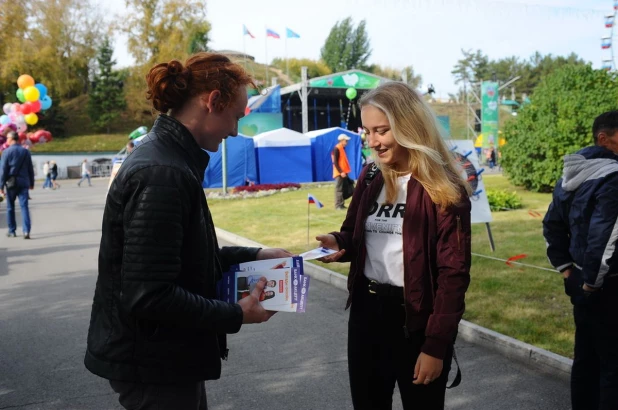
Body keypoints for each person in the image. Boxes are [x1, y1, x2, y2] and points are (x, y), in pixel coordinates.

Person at [84, 52, 293, 410]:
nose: (235, 130)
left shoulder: (170, 158)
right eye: (235, 116)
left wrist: (256, 254)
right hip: (154, 363)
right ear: (212, 102)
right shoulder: (163, 171)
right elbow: (149, 295)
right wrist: (236, 314)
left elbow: (183, 258)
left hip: (161, 357)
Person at [316, 82, 472, 410]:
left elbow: (453, 276)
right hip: (366, 315)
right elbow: (354, 235)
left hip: (416, 321)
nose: (373, 141)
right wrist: (339, 242)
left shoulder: (444, 188)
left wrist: (435, 346)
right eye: (368, 131)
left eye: (382, 130)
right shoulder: (371, 176)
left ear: (408, 126)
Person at [543, 110, 618, 410]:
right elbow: (607, 237)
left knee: (586, 360)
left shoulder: (571, 174)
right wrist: (589, 283)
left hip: (581, 283)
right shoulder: (612, 177)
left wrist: (566, 271)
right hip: (606, 286)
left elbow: (551, 226)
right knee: (612, 366)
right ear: (604, 138)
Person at [0, 131, 35, 239]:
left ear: (11, 139)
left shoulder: (6, 152)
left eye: (7, 138)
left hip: (11, 182)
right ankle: (26, 231)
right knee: (24, 206)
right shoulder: (25, 152)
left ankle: (12, 230)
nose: (6, 140)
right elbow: (30, 168)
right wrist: (31, 183)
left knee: (10, 207)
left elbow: (3, 170)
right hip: (24, 182)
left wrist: (1, 186)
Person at [332, 134, 352, 210]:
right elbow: (335, 162)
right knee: (339, 189)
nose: (347, 142)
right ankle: (338, 205)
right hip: (340, 173)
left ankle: (341, 204)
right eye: (346, 140)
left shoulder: (342, 148)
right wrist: (341, 172)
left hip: (343, 172)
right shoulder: (337, 148)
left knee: (343, 189)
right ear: (342, 140)